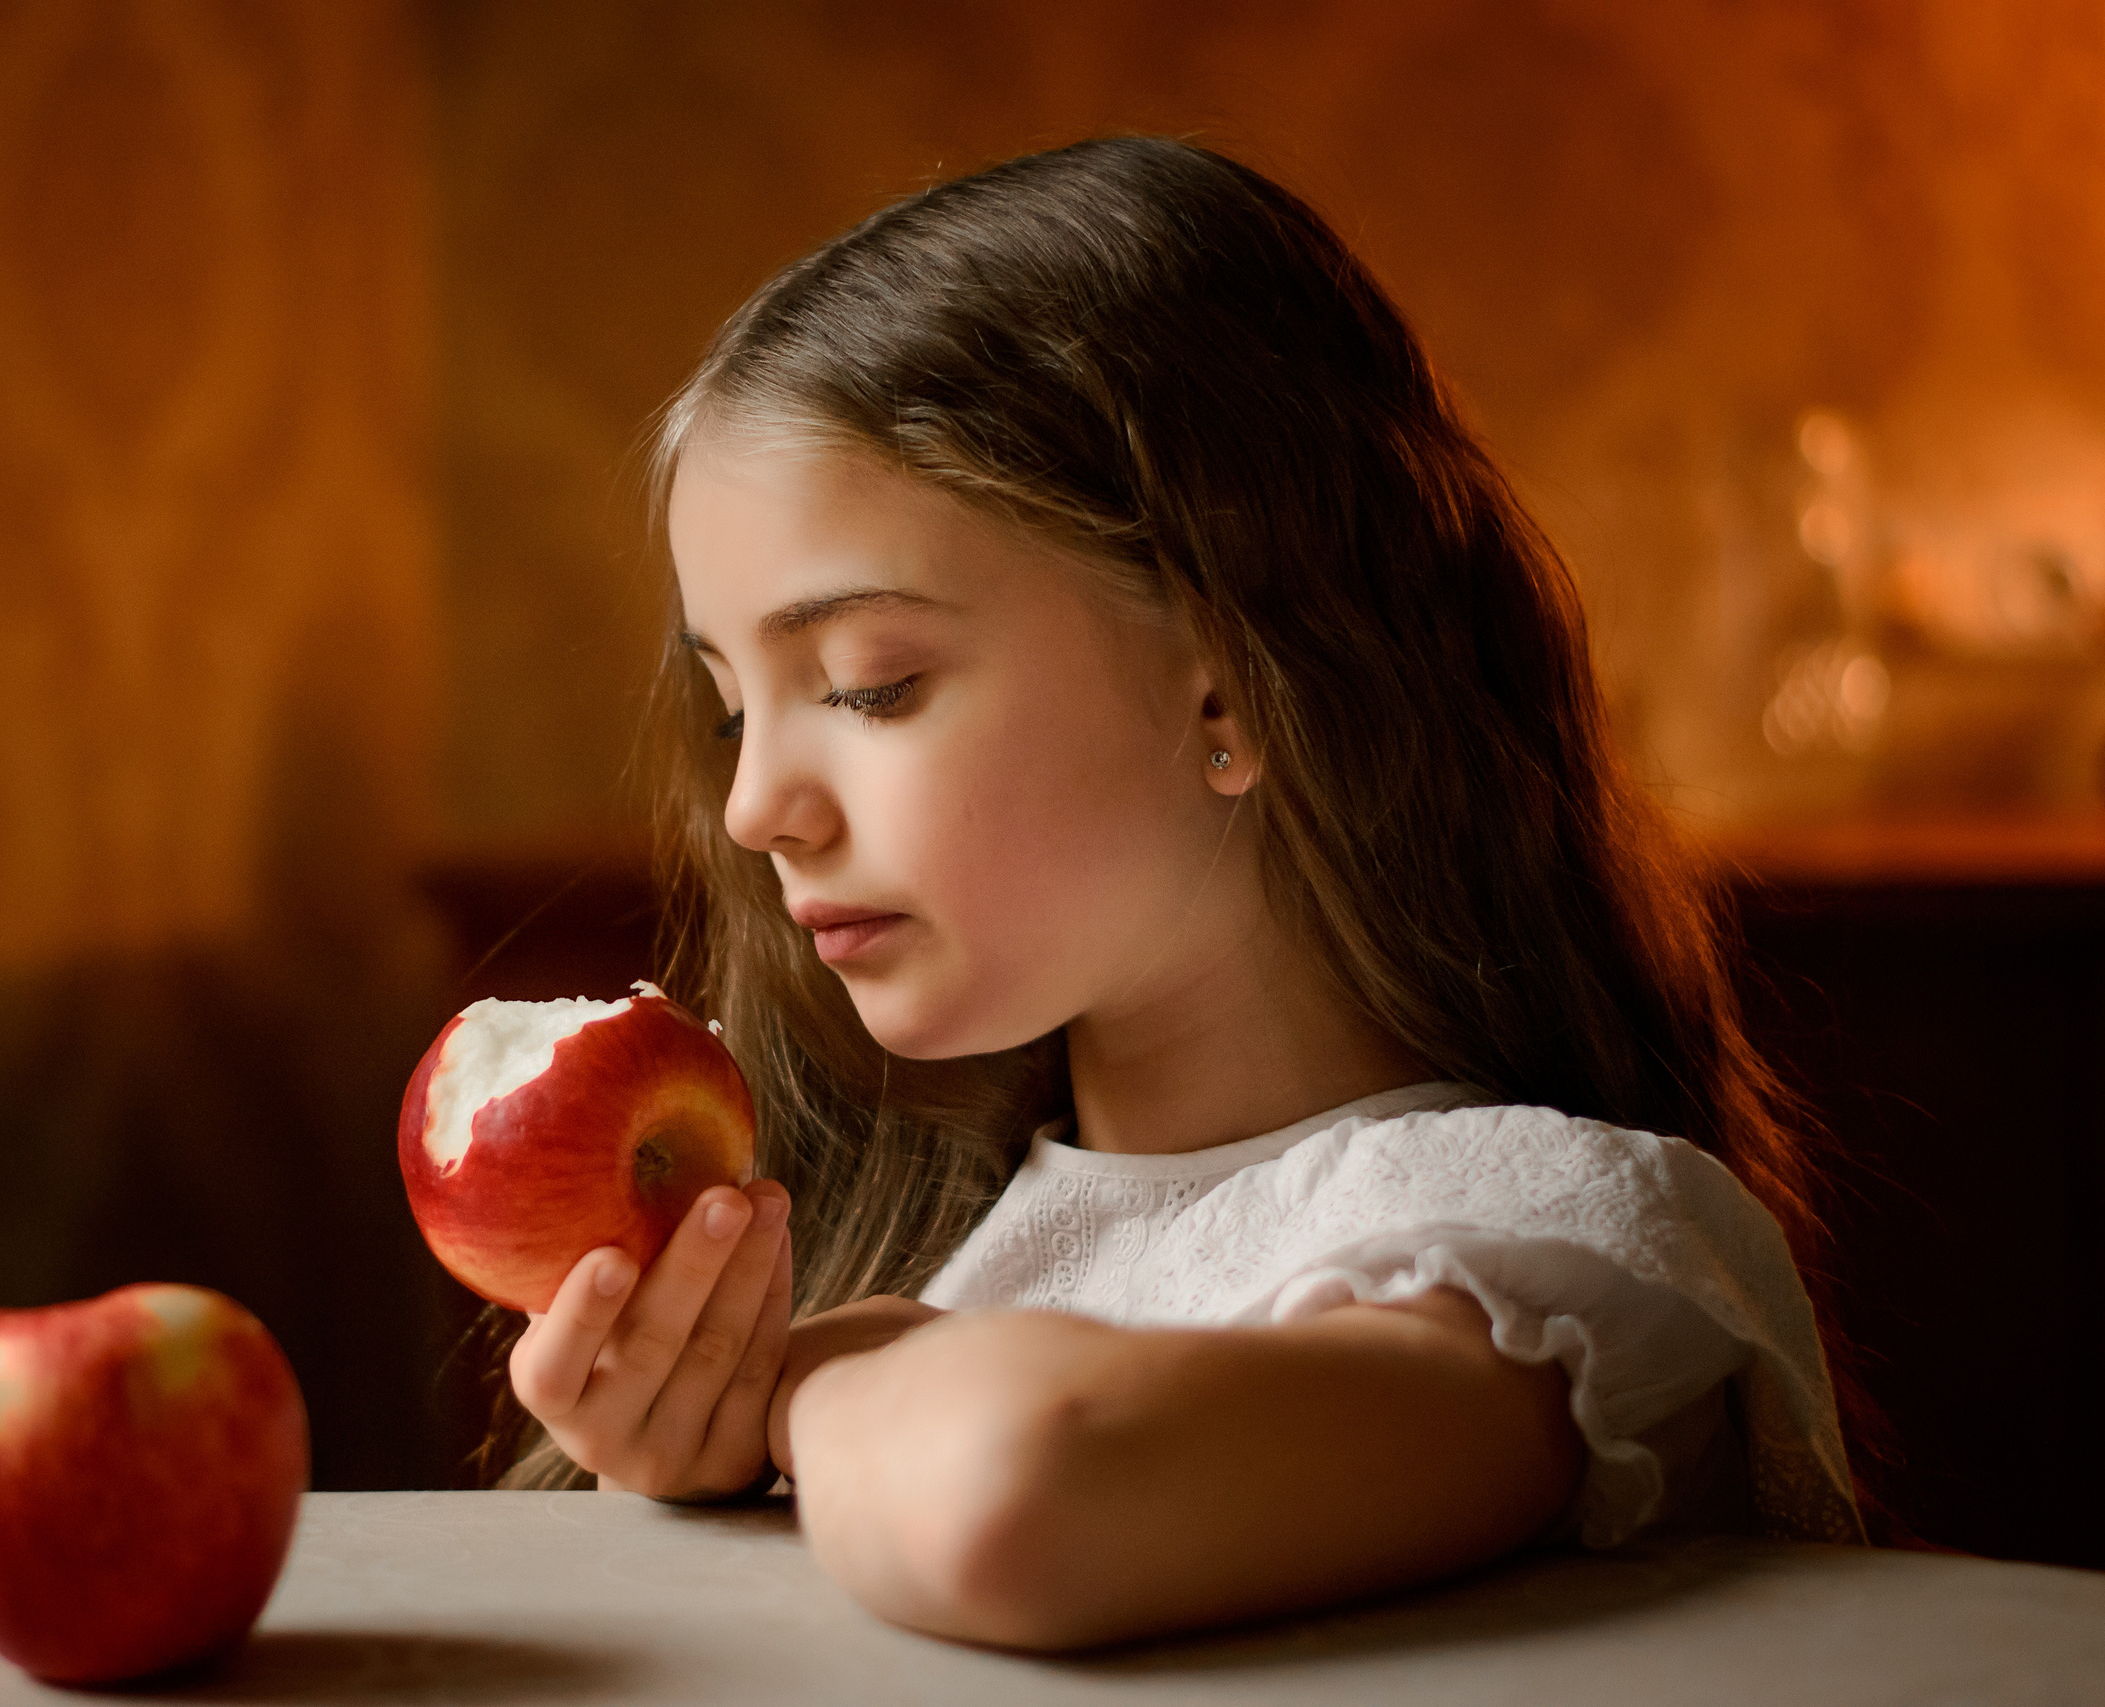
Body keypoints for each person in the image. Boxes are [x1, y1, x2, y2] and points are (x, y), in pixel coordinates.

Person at [489, 135, 1867, 1651]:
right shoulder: (943, 1237)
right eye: (736, 708)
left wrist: (806, 1382)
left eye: (870, 686)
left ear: (1231, 689)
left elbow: (1019, 1491)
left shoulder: (1562, 1255)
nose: (755, 807)